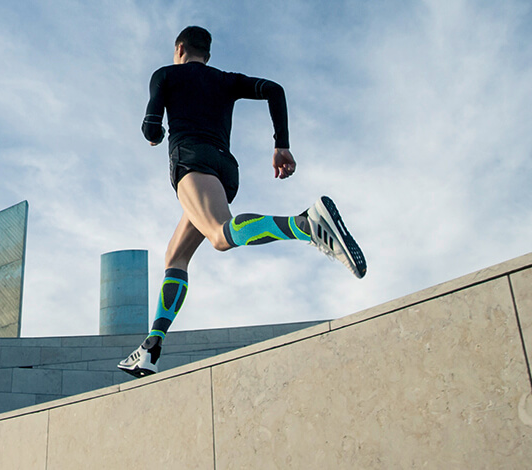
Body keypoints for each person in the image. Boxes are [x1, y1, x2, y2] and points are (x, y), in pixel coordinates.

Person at [118, 26, 366, 378]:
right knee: (176, 256)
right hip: (224, 170)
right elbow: (273, 90)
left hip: (192, 162)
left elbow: (150, 128)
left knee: (220, 236)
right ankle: (151, 348)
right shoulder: (225, 80)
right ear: (208, 53)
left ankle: (307, 224)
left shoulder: (166, 75)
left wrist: (155, 135)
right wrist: (281, 143)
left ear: (179, 48)